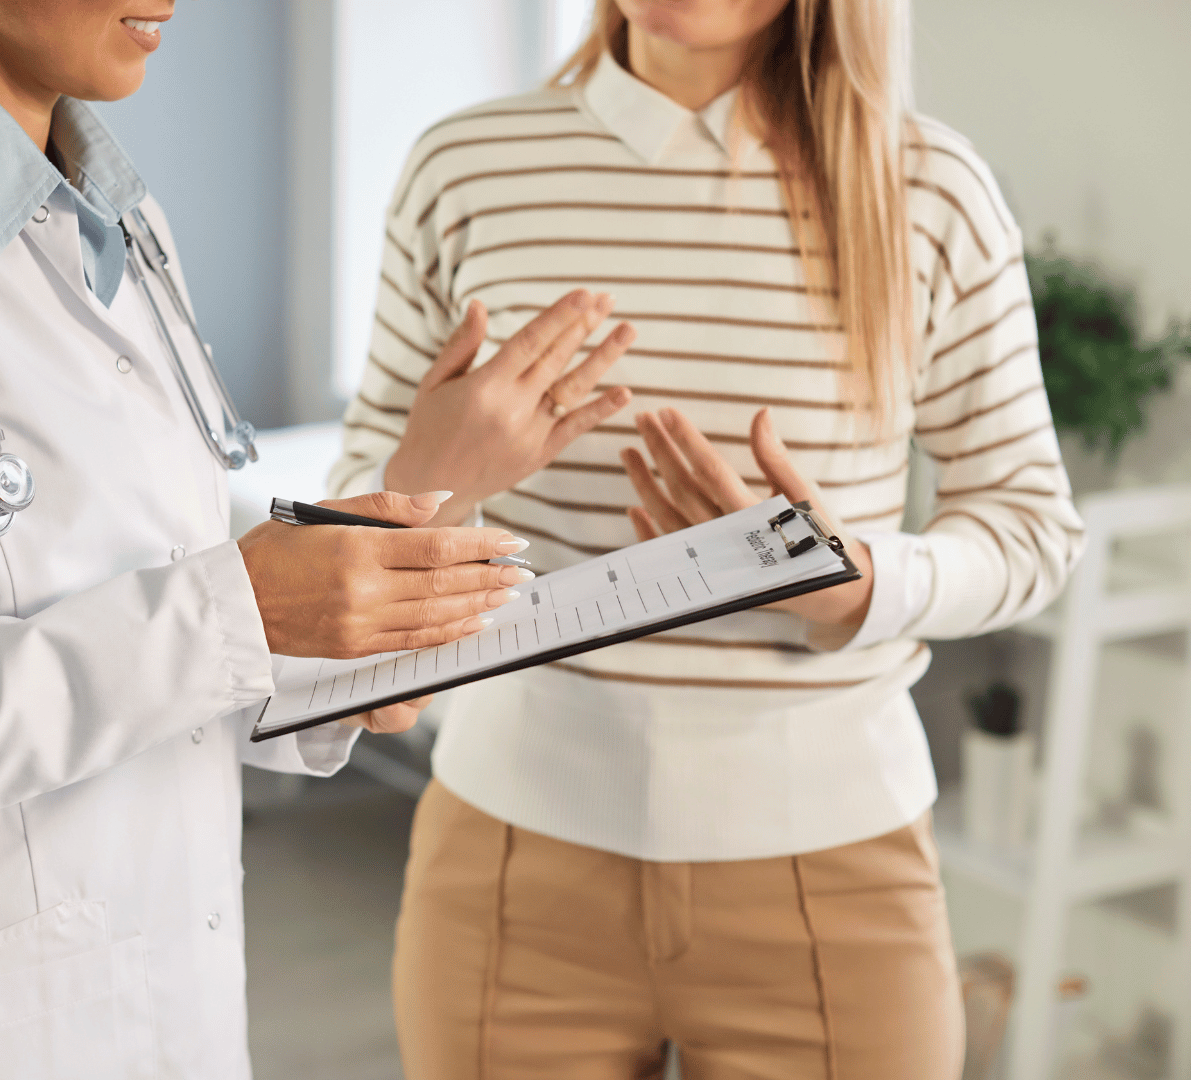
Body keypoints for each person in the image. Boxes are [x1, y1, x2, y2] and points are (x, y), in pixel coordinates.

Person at [0, 1, 616, 1076]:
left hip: (166, 997)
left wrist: (331, 650)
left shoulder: (118, 223)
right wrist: (239, 612)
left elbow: (168, 634)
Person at [334, 0, 1083, 1076]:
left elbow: (1031, 527)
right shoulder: (464, 167)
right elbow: (352, 512)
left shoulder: (931, 189)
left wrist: (851, 584)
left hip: (833, 879)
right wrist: (433, 477)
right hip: (509, 862)